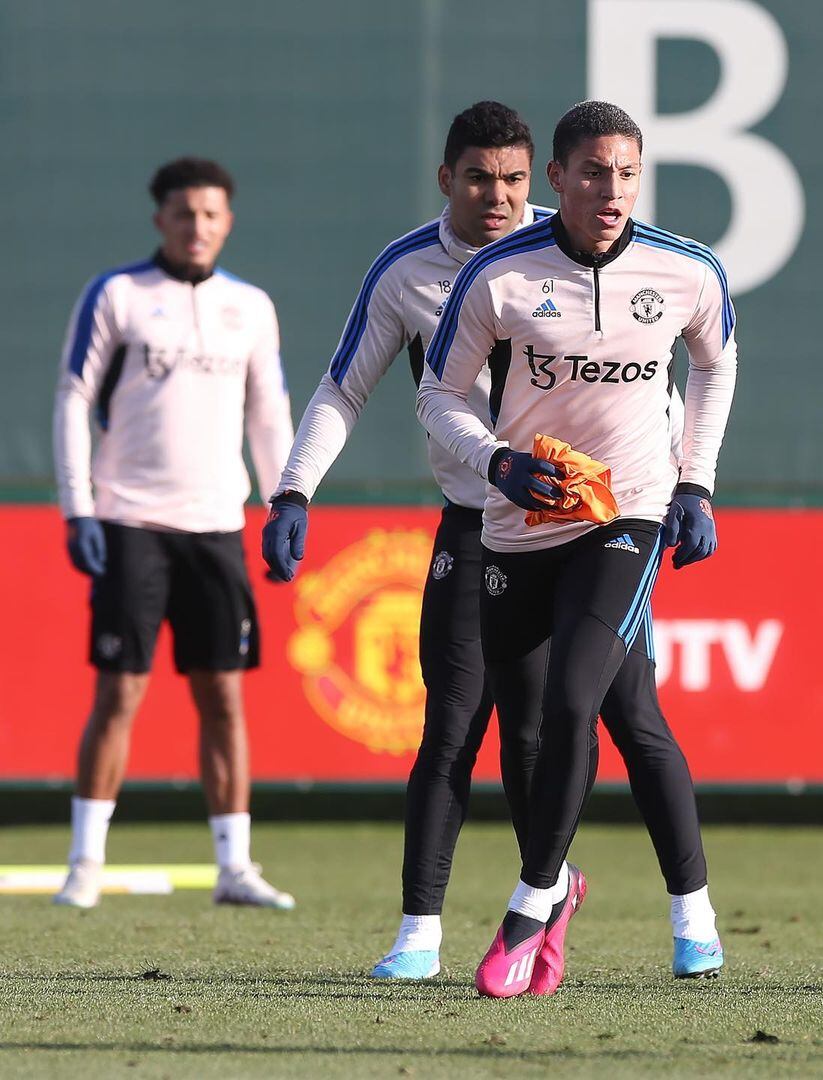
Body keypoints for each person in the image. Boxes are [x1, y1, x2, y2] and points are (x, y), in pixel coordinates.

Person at [263, 102, 717, 991]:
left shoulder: (584, 246)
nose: (500, 197)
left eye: (514, 178)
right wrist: (293, 488)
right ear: (447, 181)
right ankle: (421, 933)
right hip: (481, 523)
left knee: (620, 717)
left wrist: (682, 481)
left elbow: (653, 370)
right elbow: (344, 387)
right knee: (456, 723)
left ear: (539, 179)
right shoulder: (408, 271)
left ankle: (653, 910)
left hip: (598, 526)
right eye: (480, 178)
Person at [417, 100, 738, 997]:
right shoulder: (498, 276)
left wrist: (695, 481)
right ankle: (688, 912)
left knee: (573, 700)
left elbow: (715, 363)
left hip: (624, 519)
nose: (613, 190)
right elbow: (439, 394)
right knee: (602, 723)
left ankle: (530, 901)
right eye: (595, 172)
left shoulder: (685, 271)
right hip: (519, 526)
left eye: (628, 173)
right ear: (555, 180)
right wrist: (498, 463)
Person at [52, 156, 296, 910]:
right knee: (120, 690)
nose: (198, 227)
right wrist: (78, 507)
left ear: (228, 221)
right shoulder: (119, 295)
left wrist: (287, 501)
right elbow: (72, 399)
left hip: (217, 525)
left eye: (212, 215)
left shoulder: (251, 307)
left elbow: (269, 413)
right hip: (132, 521)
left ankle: (235, 867)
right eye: (185, 214)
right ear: (160, 217)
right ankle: (86, 863)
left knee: (224, 694)